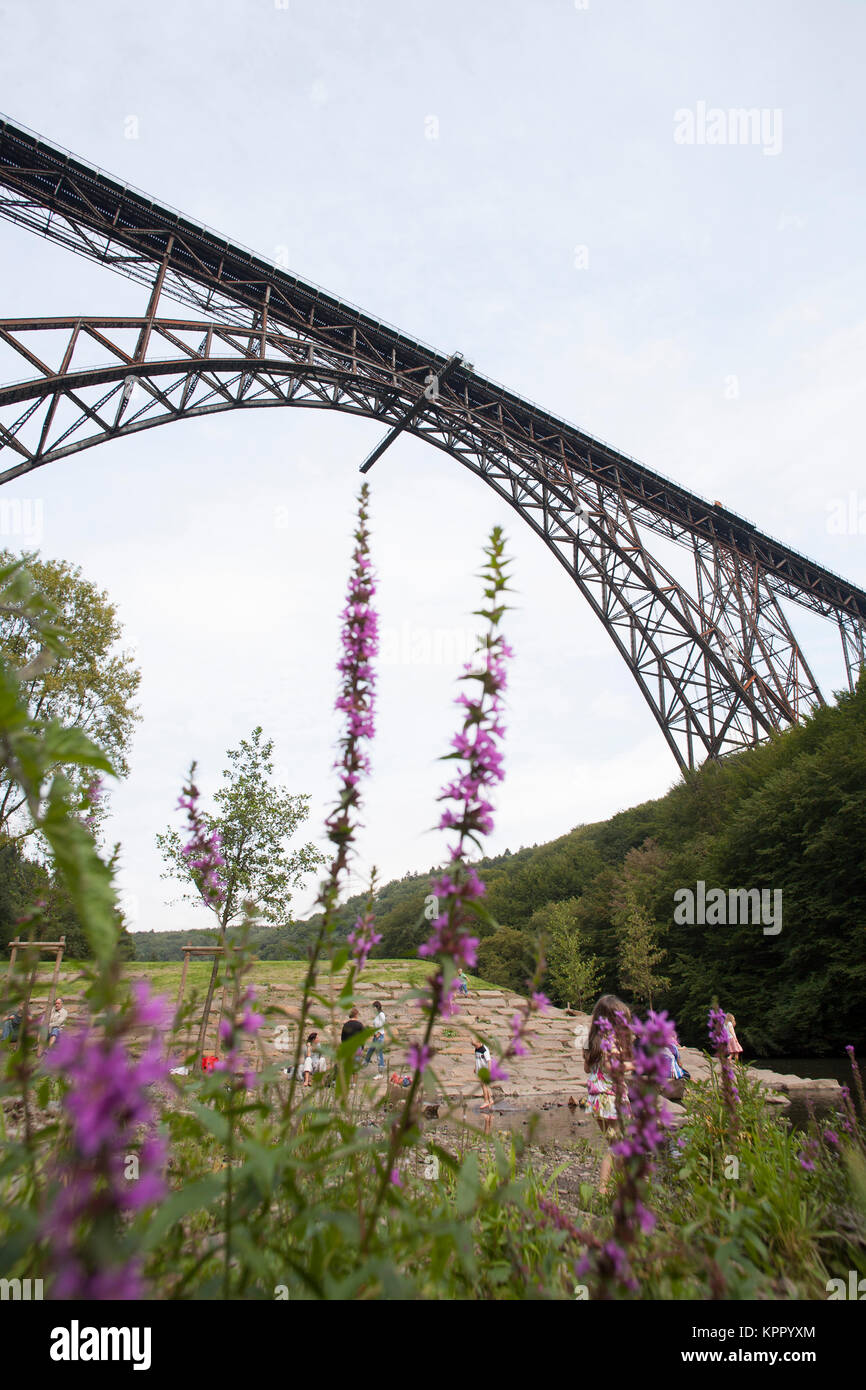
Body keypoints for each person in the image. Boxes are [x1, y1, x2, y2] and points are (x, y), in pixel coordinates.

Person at [583, 993, 634, 1194]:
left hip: (597, 1100)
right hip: (611, 1100)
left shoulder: (591, 1041)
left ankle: (621, 1184)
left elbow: (588, 1069)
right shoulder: (610, 1042)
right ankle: (604, 1189)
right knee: (617, 1147)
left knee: (616, 1143)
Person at [362, 1001, 386, 1074]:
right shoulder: (378, 1015)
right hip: (376, 1036)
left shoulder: (381, 1015)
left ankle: (381, 1070)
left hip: (379, 1036)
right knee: (370, 1050)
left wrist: (378, 1034)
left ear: (377, 1007)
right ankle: (365, 1063)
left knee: (379, 1053)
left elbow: (382, 1025)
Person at [473, 1038, 494, 1111]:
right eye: (474, 1046)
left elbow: (489, 1061)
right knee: (485, 1085)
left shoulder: (484, 1050)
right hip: (479, 1069)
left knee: (484, 1085)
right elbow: (476, 1059)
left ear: (479, 1042)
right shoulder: (476, 1049)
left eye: (475, 1045)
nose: (475, 1047)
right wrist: (475, 1067)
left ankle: (486, 1101)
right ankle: (490, 1099)